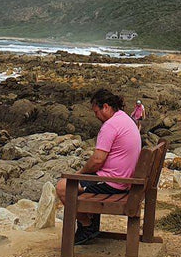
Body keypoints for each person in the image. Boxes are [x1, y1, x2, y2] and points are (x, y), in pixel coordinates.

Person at [56, 87, 143, 245]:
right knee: (86, 183)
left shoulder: (110, 126)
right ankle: (90, 224)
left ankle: (87, 225)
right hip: (127, 180)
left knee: (63, 187)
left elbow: (97, 160)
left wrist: (81, 173)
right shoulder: (125, 119)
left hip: (114, 183)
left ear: (106, 107)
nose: (96, 116)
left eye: (96, 111)